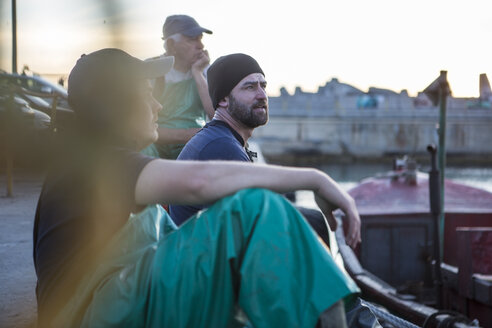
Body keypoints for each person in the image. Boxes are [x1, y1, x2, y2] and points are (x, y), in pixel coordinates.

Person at [33, 48, 361, 327]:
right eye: (148, 96)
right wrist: (317, 178)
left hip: (106, 303)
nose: (159, 108)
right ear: (117, 105)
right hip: (87, 314)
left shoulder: (95, 157)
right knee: (257, 210)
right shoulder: (94, 163)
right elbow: (199, 183)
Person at [169, 54, 329, 245]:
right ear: (223, 100)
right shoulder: (221, 148)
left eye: (263, 86)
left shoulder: (220, 139)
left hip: (207, 254)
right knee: (313, 222)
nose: (262, 95)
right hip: (202, 267)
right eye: (250, 87)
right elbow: (249, 228)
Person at [143, 14, 215, 159]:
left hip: (192, 145)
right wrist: (185, 135)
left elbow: (215, 115)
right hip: (156, 149)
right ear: (171, 45)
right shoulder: (152, 69)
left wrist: (198, 73)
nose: (201, 46)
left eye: (200, 39)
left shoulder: (205, 70)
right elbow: (140, 128)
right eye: (192, 39)